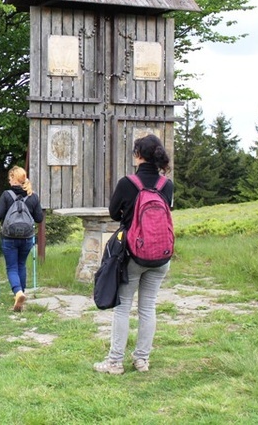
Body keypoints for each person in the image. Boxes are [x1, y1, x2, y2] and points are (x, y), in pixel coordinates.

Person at [94, 134, 174, 375]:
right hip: (161, 255)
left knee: (123, 306)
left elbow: (114, 214)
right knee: (148, 307)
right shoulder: (166, 185)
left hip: (133, 255)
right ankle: (141, 360)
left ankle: (115, 362)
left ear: (138, 155)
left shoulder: (127, 183)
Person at [0, 166, 44, 311]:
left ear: (14, 179)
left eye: (10, 178)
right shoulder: (33, 196)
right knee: (21, 265)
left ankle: (18, 292)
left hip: (9, 237)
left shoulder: (7, 195)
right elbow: (39, 218)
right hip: (26, 237)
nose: (8, 180)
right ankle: (21, 293)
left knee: (12, 267)